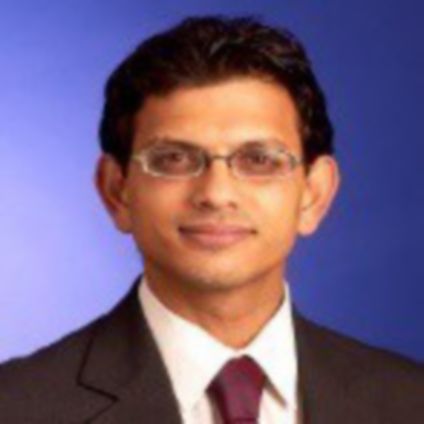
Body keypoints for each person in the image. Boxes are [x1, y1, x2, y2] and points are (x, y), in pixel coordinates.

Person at [0, 15, 422, 424]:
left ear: (314, 194)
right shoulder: (16, 408)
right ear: (117, 191)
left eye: (259, 160)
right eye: (174, 159)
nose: (217, 194)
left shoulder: (409, 401)